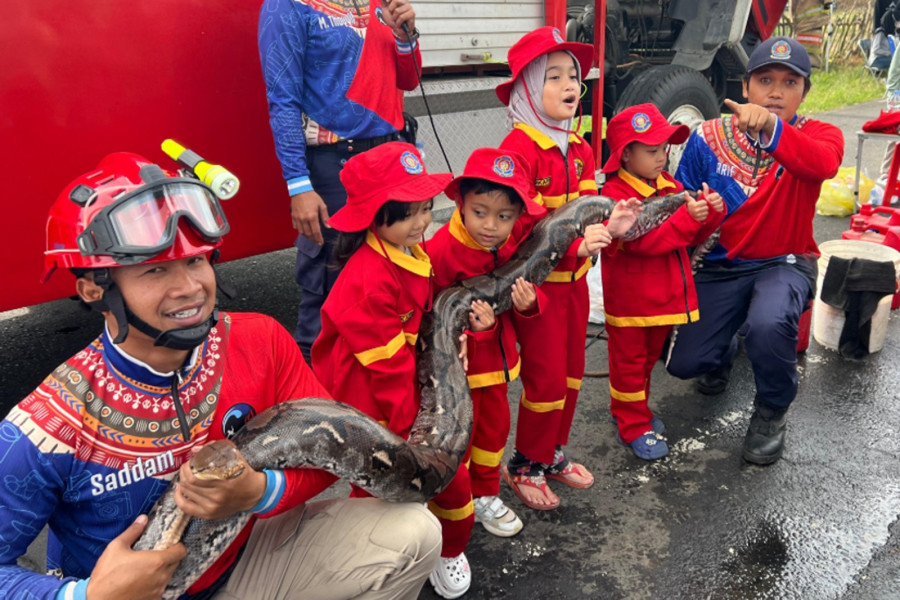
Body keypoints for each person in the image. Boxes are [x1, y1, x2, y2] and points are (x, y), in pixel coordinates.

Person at [0, 152, 441, 600]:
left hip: (244, 558)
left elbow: (334, 457)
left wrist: (259, 492)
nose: (190, 287)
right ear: (95, 288)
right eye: (156, 269)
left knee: (413, 530)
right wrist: (83, 597)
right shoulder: (43, 427)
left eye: (195, 261)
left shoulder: (261, 341)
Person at [310, 142, 477, 599]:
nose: (422, 222)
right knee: (382, 487)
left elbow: (425, 319)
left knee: (453, 478)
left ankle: (449, 550)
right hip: (367, 394)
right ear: (373, 218)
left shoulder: (408, 251)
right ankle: (383, 559)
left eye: (425, 208)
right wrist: (415, 438)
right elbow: (385, 370)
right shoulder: (365, 280)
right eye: (408, 214)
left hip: (402, 375)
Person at [666, 37, 844, 465]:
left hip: (784, 262)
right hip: (720, 267)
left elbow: (821, 165)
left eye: (789, 82)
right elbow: (679, 197)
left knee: (768, 323)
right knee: (685, 364)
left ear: (805, 92)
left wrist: (769, 128)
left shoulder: (819, 136)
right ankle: (723, 348)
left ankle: (771, 411)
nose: (776, 92)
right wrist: (691, 211)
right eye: (765, 80)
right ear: (746, 87)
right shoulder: (707, 137)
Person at [495, 26, 640, 510]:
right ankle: (525, 464)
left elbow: (587, 210)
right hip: (538, 293)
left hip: (575, 287)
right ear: (528, 87)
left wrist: (613, 222)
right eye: (553, 75)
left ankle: (553, 454)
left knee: (574, 373)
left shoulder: (577, 147)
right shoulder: (516, 150)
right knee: (546, 379)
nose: (569, 85)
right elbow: (519, 225)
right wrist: (575, 245)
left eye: (574, 75)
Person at [258, 0, 422, 362]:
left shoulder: (381, 3)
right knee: (329, 298)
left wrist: (404, 35)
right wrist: (298, 184)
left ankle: (384, 394)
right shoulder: (287, 6)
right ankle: (314, 407)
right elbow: (282, 100)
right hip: (335, 167)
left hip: (390, 160)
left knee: (393, 283)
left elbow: (409, 80)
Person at [426, 147, 546, 539]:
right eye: (480, 212)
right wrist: (475, 329)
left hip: (498, 367)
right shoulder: (441, 251)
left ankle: (486, 495)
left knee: (494, 433)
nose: (491, 225)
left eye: (504, 216)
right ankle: (453, 503)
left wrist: (528, 305)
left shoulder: (512, 249)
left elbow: (525, 300)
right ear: (461, 204)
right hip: (460, 372)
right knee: (459, 435)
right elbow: (432, 316)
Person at [599, 103, 726, 461]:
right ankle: (632, 423)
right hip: (631, 305)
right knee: (628, 366)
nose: (662, 157)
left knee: (645, 362)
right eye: (652, 150)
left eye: (665, 148)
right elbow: (643, 243)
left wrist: (709, 211)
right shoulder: (615, 198)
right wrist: (687, 218)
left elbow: (688, 237)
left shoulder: (669, 186)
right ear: (625, 155)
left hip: (664, 301)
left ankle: (632, 412)